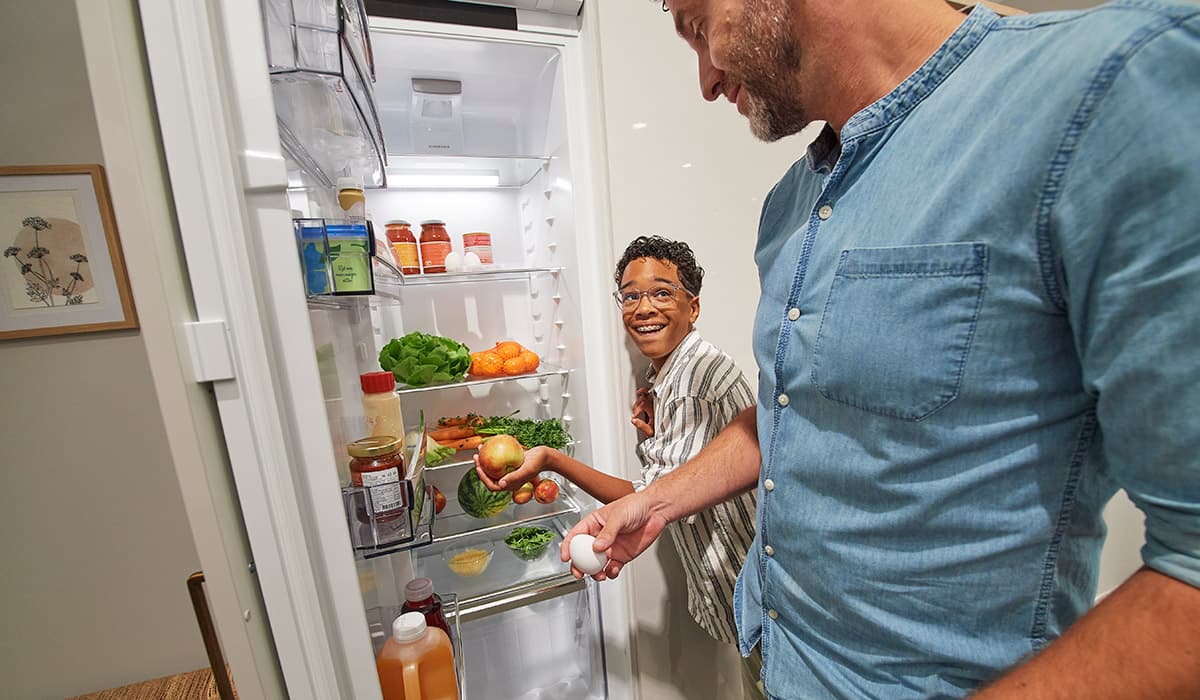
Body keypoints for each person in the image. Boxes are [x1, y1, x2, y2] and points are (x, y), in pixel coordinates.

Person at [561, 0, 1200, 698]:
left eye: (697, 27)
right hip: (773, 652)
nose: (706, 81)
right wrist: (656, 503)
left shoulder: (1107, 88)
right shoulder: (789, 204)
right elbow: (791, 410)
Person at [476, 235, 763, 695]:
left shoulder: (692, 382)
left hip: (754, 592)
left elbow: (650, 500)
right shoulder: (670, 372)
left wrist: (552, 459)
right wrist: (655, 429)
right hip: (744, 586)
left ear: (692, 307)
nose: (643, 308)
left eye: (662, 292)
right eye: (630, 296)